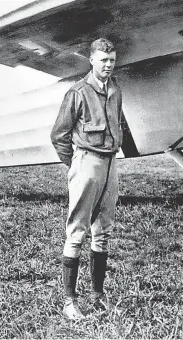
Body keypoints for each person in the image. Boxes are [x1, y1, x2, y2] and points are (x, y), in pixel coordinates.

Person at [50, 38, 125, 320]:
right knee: (77, 231)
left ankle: (97, 295)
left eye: (112, 60)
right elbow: (59, 135)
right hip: (87, 162)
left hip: (109, 164)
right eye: (103, 60)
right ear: (91, 60)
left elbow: (119, 122)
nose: (108, 65)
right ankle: (69, 302)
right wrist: (77, 166)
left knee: (103, 230)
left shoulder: (116, 88)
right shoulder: (78, 92)